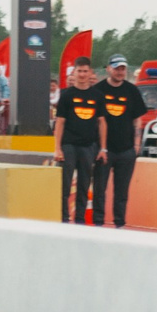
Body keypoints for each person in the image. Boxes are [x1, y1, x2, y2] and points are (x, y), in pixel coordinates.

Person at [96, 55, 147, 226]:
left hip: (126, 149)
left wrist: (137, 143)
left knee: (122, 191)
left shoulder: (132, 90)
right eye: (117, 68)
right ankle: (98, 222)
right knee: (99, 189)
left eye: (123, 69)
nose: (120, 72)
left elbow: (137, 119)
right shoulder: (98, 90)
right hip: (103, 149)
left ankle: (120, 223)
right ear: (108, 69)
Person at [54, 58, 106, 223]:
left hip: (88, 147)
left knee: (84, 186)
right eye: (79, 71)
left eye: (85, 71)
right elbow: (60, 122)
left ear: (90, 73)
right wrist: (57, 147)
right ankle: (63, 218)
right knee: (65, 186)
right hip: (68, 146)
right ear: (74, 73)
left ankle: (80, 220)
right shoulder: (66, 95)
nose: (82, 74)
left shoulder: (97, 96)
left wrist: (103, 148)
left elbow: (102, 122)